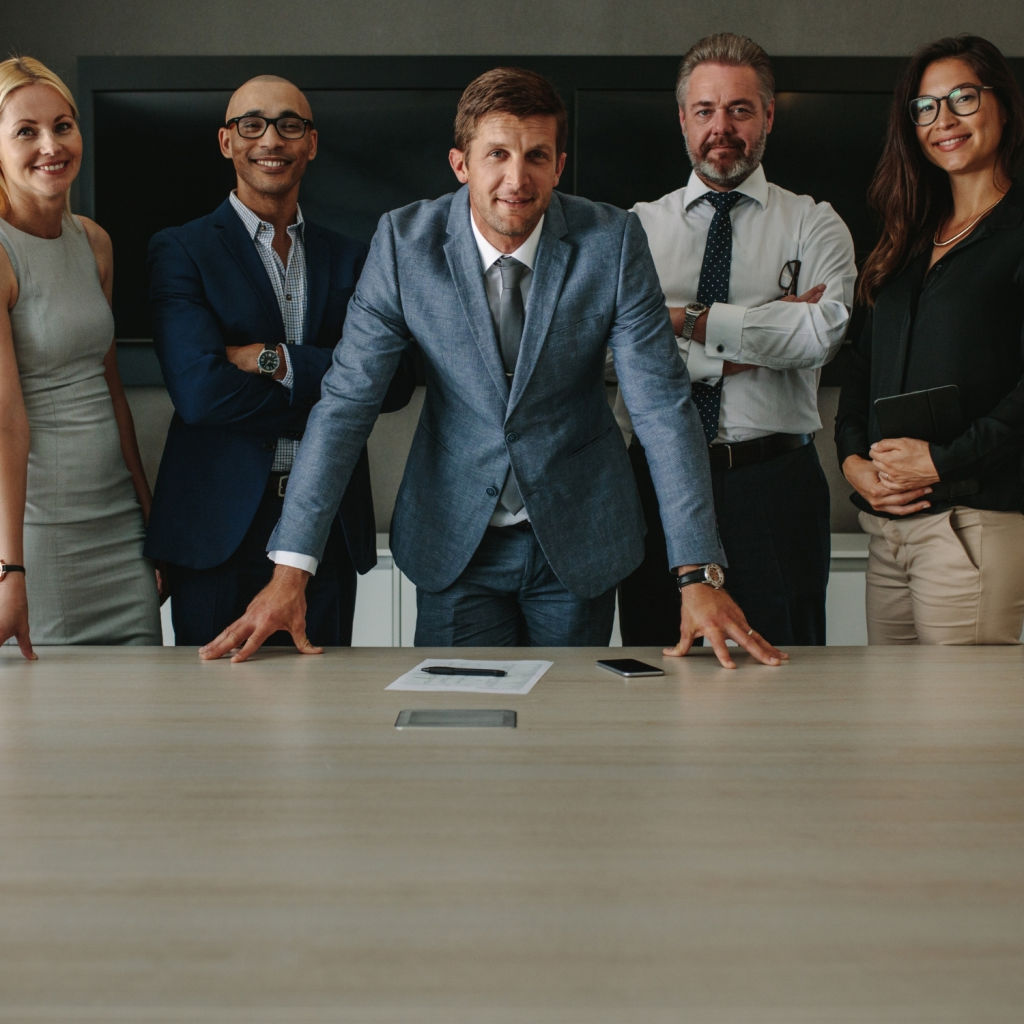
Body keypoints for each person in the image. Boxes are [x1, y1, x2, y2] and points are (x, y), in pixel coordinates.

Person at [200, 67, 786, 669]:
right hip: (454, 539)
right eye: (497, 155)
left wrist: (699, 573)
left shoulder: (611, 241)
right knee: (460, 742)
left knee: (564, 741)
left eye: (537, 156)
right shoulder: (405, 243)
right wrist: (291, 569)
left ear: (559, 166)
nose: (517, 178)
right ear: (461, 164)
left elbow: (662, 407)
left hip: (578, 536)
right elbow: (347, 403)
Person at [145, 75, 416, 647]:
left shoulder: (355, 257)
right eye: (252, 124)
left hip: (326, 527)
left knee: (319, 716)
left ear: (310, 144)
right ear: (227, 142)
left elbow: (393, 383)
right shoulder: (180, 250)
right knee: (214, 715)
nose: (271, 139)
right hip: (216, 527)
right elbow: (201, 394)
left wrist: (273, 359)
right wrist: (339, 393)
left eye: (289, 125)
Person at [614, 34, 856, 648]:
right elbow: (614, 353)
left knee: (789, 671)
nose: (721, 127)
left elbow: (820, 334)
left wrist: (675, 319)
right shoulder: (632, 230)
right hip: (657, 481)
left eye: (740, 110)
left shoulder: (814, 222)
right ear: (683, 120)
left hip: (775, 484)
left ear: (768, 115)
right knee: (660, 666)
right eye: (705, 111)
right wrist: (766, 329)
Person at [836, 35, 1024, 645]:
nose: (942, 121)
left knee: (957, 734)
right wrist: (852, 461)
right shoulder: (906, 239)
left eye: (962, 99)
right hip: (890, 530)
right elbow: (861, 365)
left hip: (973, 523)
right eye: (925, 107)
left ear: (1002, 105)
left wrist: (943, 460)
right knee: (892, 731)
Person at [0, 57, 161, 656]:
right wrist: (8, 570)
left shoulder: (94, 242)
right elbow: (7, 422)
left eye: (63, 125)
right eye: (26, 131)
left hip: (119, 534)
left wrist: (149, 520)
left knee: (140, 734)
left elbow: (111, 390)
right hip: (38, 539)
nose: (51, 145)